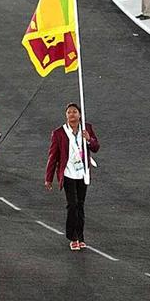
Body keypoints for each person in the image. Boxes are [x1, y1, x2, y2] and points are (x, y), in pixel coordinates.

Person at [44, 103, 100, 251]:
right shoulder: (59, 133)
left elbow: (96, 147)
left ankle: (81, 237)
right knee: (73, 204)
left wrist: (89, 139)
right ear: (66, 115)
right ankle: (73, 237)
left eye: (75, 112)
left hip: (82, 173)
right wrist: (48, 178)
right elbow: (53, 156)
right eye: (69, 112)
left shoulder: (86, 128)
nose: (72, 114)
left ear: (79, 115)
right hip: (68, 173)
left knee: (80, 205)